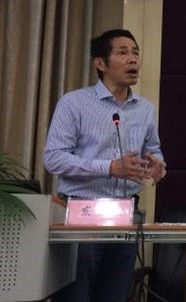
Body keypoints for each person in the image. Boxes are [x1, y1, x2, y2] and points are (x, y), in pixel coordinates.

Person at [44, 29, 167, 302]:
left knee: (114, 295)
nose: (133, 59)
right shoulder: (74, 103)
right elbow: (53, 158)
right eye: (123, 53)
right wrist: (108, 167)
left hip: (126, 217)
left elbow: (153, 149)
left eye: (135, 52)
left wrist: (156, 164)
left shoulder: (145, 109)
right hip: (81, 217)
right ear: (100, 63)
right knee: (75, 296)